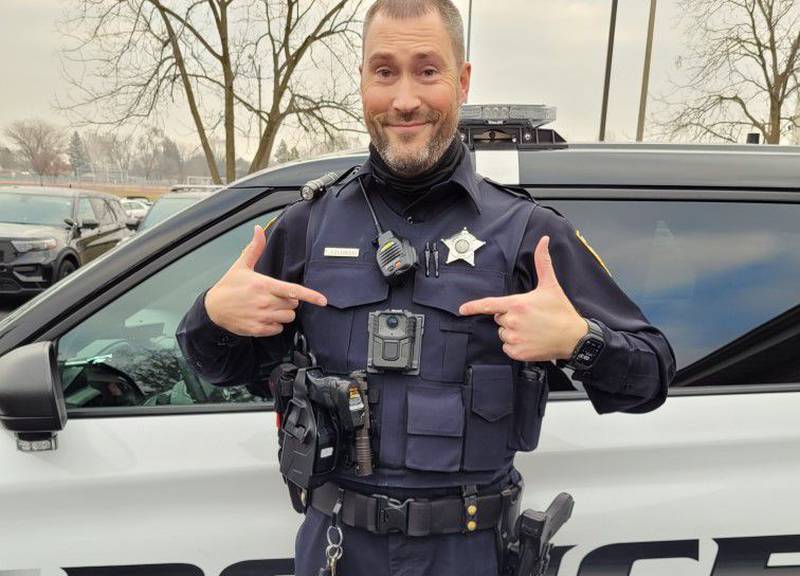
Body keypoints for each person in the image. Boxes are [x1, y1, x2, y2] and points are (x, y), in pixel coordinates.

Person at [175, 1, 676, 574]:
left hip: (469, 553)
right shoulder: (305, 227)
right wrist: (213, 315)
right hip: (336, 550)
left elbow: (652, 374)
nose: (405, 99)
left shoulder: (527, 235)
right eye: (384, 71)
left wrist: (578, 341)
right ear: (362, 81)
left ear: (462, 81)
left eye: (428, 70)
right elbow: (215, 367)